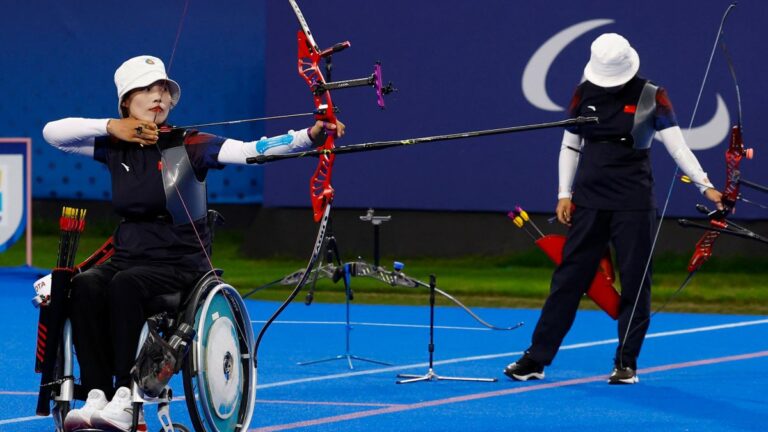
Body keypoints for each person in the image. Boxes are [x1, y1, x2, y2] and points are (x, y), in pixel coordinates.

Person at [43, 55, 345, 431]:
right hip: (129, 256)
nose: (159, 97)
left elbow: (252, 150)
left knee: (124, 285)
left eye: (164, 91)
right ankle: (98, 396)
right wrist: (112, 128)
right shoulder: (113, 145)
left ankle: (126, 396)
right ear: (126, 102)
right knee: (85, 285)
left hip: (179, 264)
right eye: (148, 89)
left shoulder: (190, 144)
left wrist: (309, 137)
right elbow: (52, 133)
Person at [503, 33, 722, 385]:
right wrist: (563, 193)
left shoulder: (653, 95)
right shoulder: (584, 91)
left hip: (633, 204)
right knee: (568, 280)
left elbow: (678, 148)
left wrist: (705, 185)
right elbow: (570, 145)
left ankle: (625, 363)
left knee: (636, 282)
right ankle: (536, 359)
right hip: (588, 203)